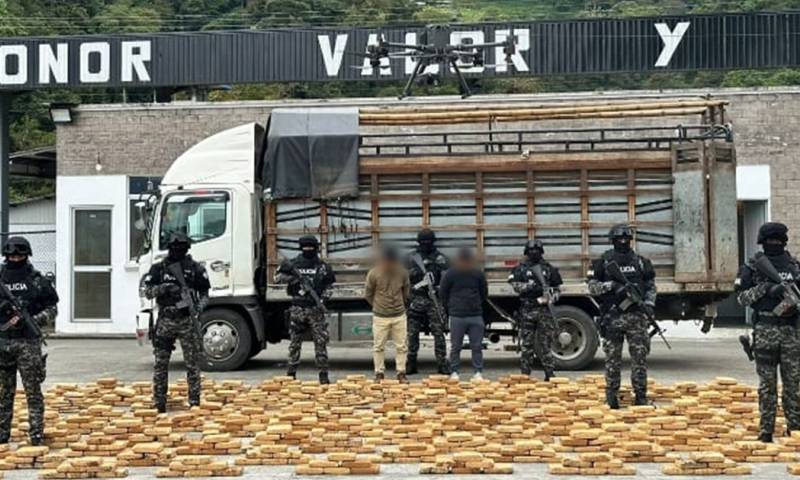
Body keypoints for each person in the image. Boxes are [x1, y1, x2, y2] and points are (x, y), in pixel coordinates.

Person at [735, 222, 800, 443]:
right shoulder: (753, 267)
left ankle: (795, 429)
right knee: (767, 385)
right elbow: (742, 298)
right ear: (763, 242)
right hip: (765, 329)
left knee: (793, 384)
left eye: (777, 241)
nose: (774, 244)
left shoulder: (795, 267)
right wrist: (767, 289)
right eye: (770, 241)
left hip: (792, 331)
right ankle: (766, 431)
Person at [587, 224, 656, 409]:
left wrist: (649, 304)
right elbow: (592, 287)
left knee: (639, 360)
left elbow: (650, 286)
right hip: (612, 316)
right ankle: (612, 397)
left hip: (636, 317)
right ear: (613, 240)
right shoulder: (603, 261)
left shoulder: (641, 262)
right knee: (612, 360)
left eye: (626, 239)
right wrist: (612, 286)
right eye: (619, 239)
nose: (623, 242)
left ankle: (640, 396)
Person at [141, 232, 210, 413]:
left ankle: (194, 402)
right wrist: (164, 288)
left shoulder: (195, 268)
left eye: (181, 248)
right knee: (161, 364)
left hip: (187, 320)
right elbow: (147, 292)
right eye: (175, 248)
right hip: (166, 320)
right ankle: (160, 402)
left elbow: (205, 294)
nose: (178, 251)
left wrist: (198, 307)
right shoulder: (159, 269)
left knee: (192, 364)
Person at [0, 237, 58, 445]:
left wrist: (34, 319)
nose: (15, 259)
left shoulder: (36, 280)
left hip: (28, 342)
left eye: (19, 255)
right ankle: (2, 433)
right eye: (12, 256)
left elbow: (53, 308)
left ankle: (36, 434)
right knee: (4, 393)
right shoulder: (1, 278)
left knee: (33, 391)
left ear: (26, 255)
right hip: (3, 341)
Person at [276, 235, 336, 384]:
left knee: (320, 342)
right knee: (295, 343)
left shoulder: (322, 266)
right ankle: (291, 373)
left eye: (311, 247)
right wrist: (295, 279)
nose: (308, 250)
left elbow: (329, 287)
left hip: (315, 309)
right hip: (298, 308)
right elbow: (277, 278)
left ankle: (323, 375)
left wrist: (322, 300)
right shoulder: (293, 264)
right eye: (305, 247)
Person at [508, 239, 563, 381]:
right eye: (531, 250)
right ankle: (525, 373)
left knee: (546, 344)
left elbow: (557, 289)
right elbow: (515, 286)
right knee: (527, 345)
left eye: (537, 250)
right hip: (527, 309)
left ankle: (549, 373)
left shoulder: (549, 269)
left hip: (545, 310)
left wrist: (551, 296)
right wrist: (529, 286)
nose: (534, 253)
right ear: (526, 252)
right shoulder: (520, 269)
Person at [405, 229, 450, 375]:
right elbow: (403, 279)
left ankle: (442, 363)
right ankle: (411, 362)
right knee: (412, 333)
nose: (426, 245)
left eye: (428, 242)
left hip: (434, 300)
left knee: (439, 333)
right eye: (423, 242)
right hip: (416, 298)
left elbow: (447, 278)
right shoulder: (411, 258)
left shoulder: (440, 258)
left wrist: (438, 289)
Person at [440, 247, 488, 381]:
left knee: (477, 346)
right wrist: (450, 307)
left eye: (467, 261)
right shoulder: (450, 274)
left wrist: (476, 305)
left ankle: (478, 372)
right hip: (457, 315)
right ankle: (454, 371)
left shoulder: (478, 274)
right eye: (463, 260)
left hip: (475, 315)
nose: (465, 263)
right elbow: (443, 294)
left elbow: (484, 293)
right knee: (456, 346)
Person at [364, 244, 410, 383]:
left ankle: (401, 373)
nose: (390, 264)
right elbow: (368, 294)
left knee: (401, 346)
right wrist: (378, 306)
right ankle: (379, 373)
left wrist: (399, 304)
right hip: (380, 316)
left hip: (399, 315)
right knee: (378, 346)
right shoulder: (373, 273)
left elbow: (406, 292)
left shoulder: (403, 272)